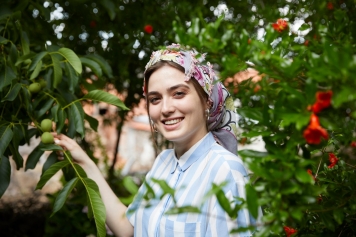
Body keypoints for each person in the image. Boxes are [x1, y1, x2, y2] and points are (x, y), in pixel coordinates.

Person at [53, 43, 259, 237]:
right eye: (155, 99)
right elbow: (128, 229)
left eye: (178, 93)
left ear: (207, 100)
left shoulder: (226, 171)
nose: (166, 108)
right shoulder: (163, 162)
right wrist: (85, 164)